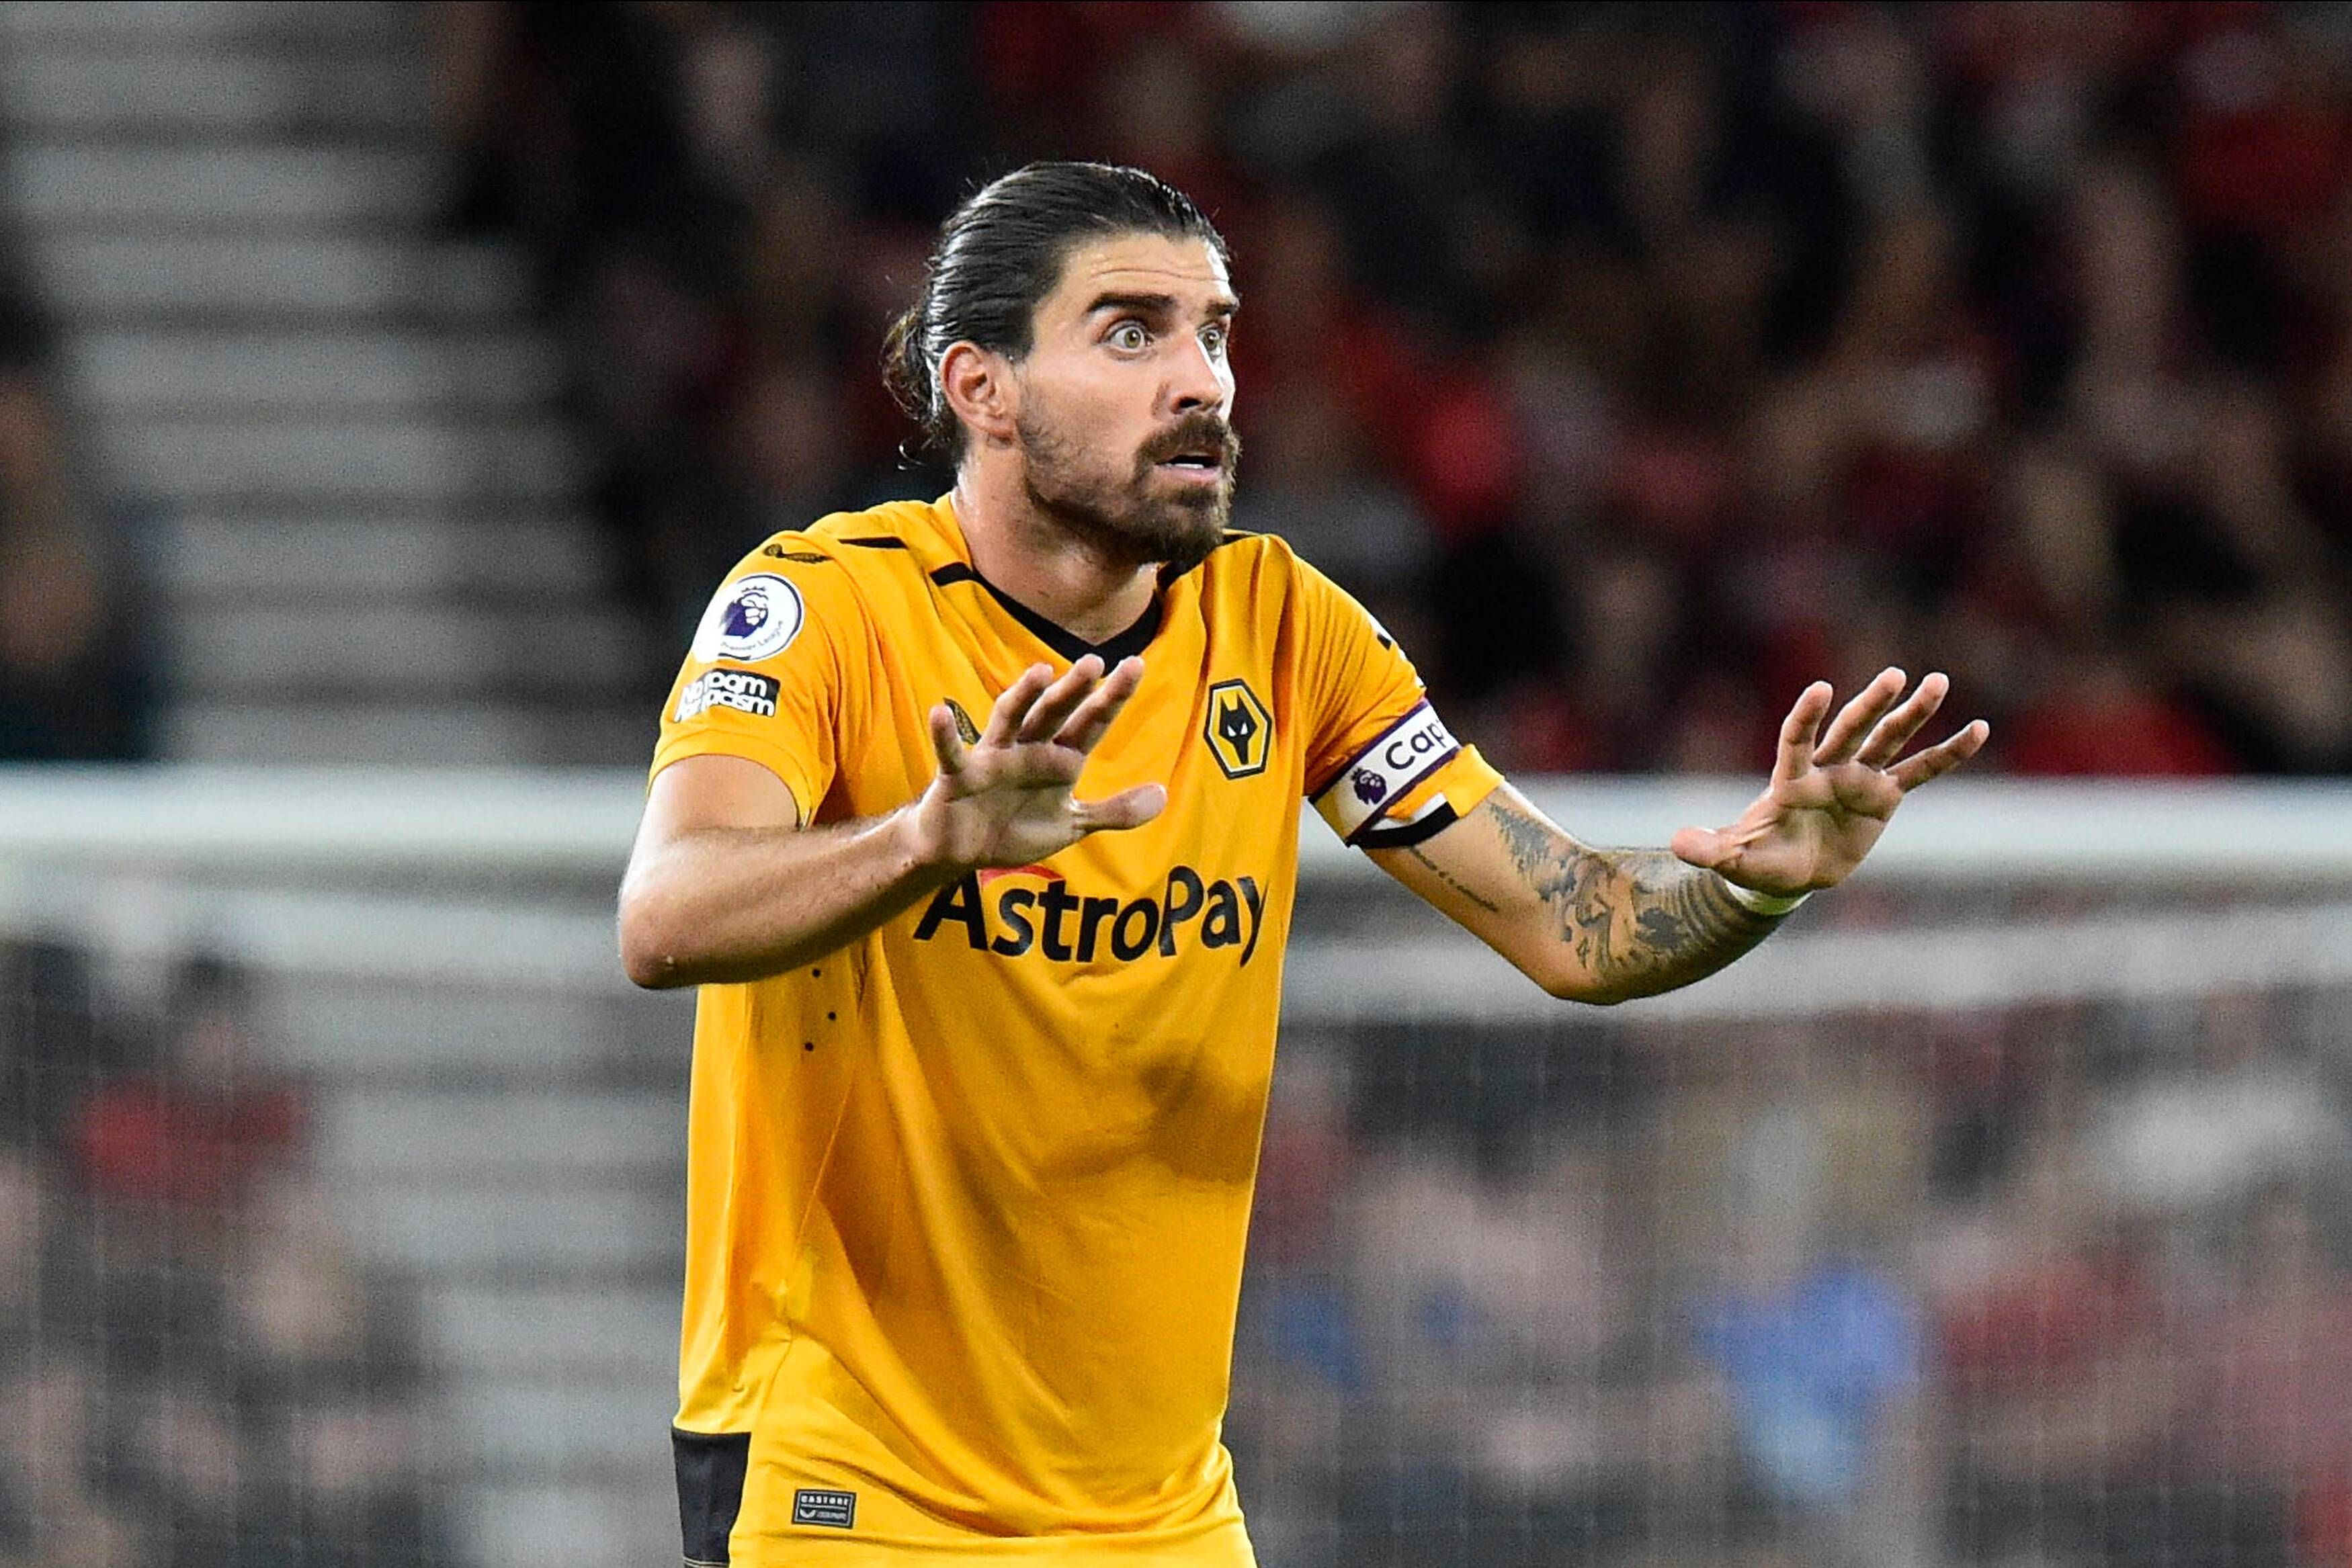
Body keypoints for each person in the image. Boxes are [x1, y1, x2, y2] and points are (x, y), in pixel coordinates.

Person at [616, 161, 1986, 1566]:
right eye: (1131, 331)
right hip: (849, 1487)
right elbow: (665, 917)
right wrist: (928, 839)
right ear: (983, 389)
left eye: (1213, 332)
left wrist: (1756, 879)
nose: (1202, 378)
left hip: (1158, 1515)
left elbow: (1577, 927)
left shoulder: (1280, 627)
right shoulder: (820, 610)